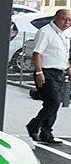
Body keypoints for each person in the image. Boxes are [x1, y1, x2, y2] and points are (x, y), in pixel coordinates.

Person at [27, 8, 71, 145]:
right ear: (55, 18)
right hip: (46, 72)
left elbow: (63, 55)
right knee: (54, 103)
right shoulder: (46, 32)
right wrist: (39, 72)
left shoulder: (63, 34)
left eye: (69, 20)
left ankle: (46, 133)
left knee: (52, 104)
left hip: (59, 73)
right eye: (64, 19)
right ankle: (33, 125)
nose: (67, 22)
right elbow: (37, 53)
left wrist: (69, 70)